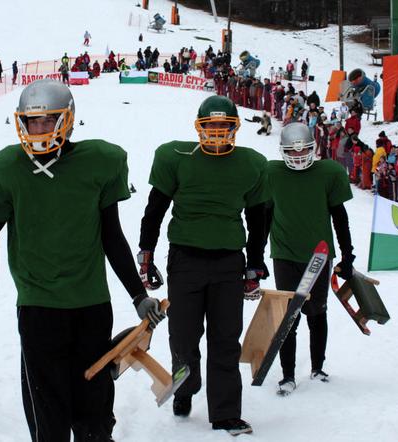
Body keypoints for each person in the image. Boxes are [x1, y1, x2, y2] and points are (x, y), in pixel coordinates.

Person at [0, 80, 164, 440]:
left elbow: (112, 237)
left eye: (48, 121)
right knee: (48, 408)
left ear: (68, 120)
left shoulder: (100, 161)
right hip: (38, 305)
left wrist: (139, 295)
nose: (38, 129)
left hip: (90, 303)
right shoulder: (4, 169)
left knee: (94, 403)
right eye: (32, 122)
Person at [137, 95, 268, 436]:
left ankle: (225, 413)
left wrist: (254, 263)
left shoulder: (251, 163)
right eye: (210, 125)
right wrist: (146, 251)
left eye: (223, 125)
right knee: (183, 334)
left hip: (228, 261)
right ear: (199, 126)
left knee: (225, 339)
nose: (217, 132)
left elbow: (259, 219)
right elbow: (155, 207)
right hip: (185, 259)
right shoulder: (176, 157)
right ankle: (184, 387)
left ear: (234, 127)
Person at [265, 122, 355, 396]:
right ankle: (288, 375)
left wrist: (348, 255)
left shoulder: (328, 173)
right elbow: (263, 216)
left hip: (318, 254)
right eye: (291, 152)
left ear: (312, 147)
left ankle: (318, 367)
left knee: (317, 311)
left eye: (302, 150)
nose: (297, 156)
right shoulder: (271, 173)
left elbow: (340, 217)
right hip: (284, 253)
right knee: (287, 319)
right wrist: (254, 256)